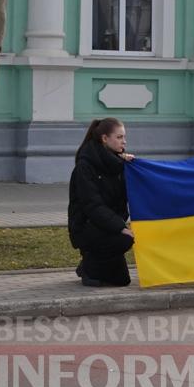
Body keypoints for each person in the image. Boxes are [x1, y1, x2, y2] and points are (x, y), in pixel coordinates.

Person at [68, 118, 135, 287]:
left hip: (106, 225)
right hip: (87, 226)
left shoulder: (118, 163)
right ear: (105, 139)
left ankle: (89, 265)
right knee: (124, 240)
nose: (124, 141)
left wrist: (131, 168)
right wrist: (120, 227)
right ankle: (89, 265)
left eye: (124, 137)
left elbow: (127, 195)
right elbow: (92, 206)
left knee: (122, 281)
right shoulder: (85, 166)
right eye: (119, 137)